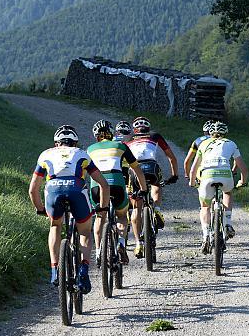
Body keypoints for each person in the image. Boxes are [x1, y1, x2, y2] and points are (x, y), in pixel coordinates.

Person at [29, 125, 110, 293]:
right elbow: (103, 184)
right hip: (76, 190)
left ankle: (54, 270)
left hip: (53, 190)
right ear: (75, 142)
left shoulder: (45, 154)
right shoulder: (81, 154)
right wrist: (102, 208)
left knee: (55, 226)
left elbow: (33, 189)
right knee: (85, 232)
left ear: (56, 143)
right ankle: (84, 271)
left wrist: (40, 209)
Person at [87, 120, 148, 266]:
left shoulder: (89, 149)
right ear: (112, 133)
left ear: (96, 136)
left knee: (100, 216)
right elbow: (137, 169)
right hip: (117, 184)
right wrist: (144, 189)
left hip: (97, 186)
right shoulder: (121, 146)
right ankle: (121, 243)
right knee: (121, 216)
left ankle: (98, 250)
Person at [188, 121, 248, 253]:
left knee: (205, 207)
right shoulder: (231, 143)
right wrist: (243, 182)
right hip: (226, 175)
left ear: (210, 133)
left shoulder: (203, 144)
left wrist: (192, 183)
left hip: (207, 176)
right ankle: (227, 223)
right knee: (227, 193)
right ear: (225, 132)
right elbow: (243, 168)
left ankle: (206, 236)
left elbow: (193, 169)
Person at [126, 116, 179, 259]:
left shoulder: (129, 138)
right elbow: (171, 157)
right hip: (151, 166)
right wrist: (174, 175)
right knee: (157, 184)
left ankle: (138, 243)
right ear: (148, 128)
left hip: (134, 170)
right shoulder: (155, 135)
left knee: (136, 207)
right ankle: (156, 210)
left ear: (135, 129)